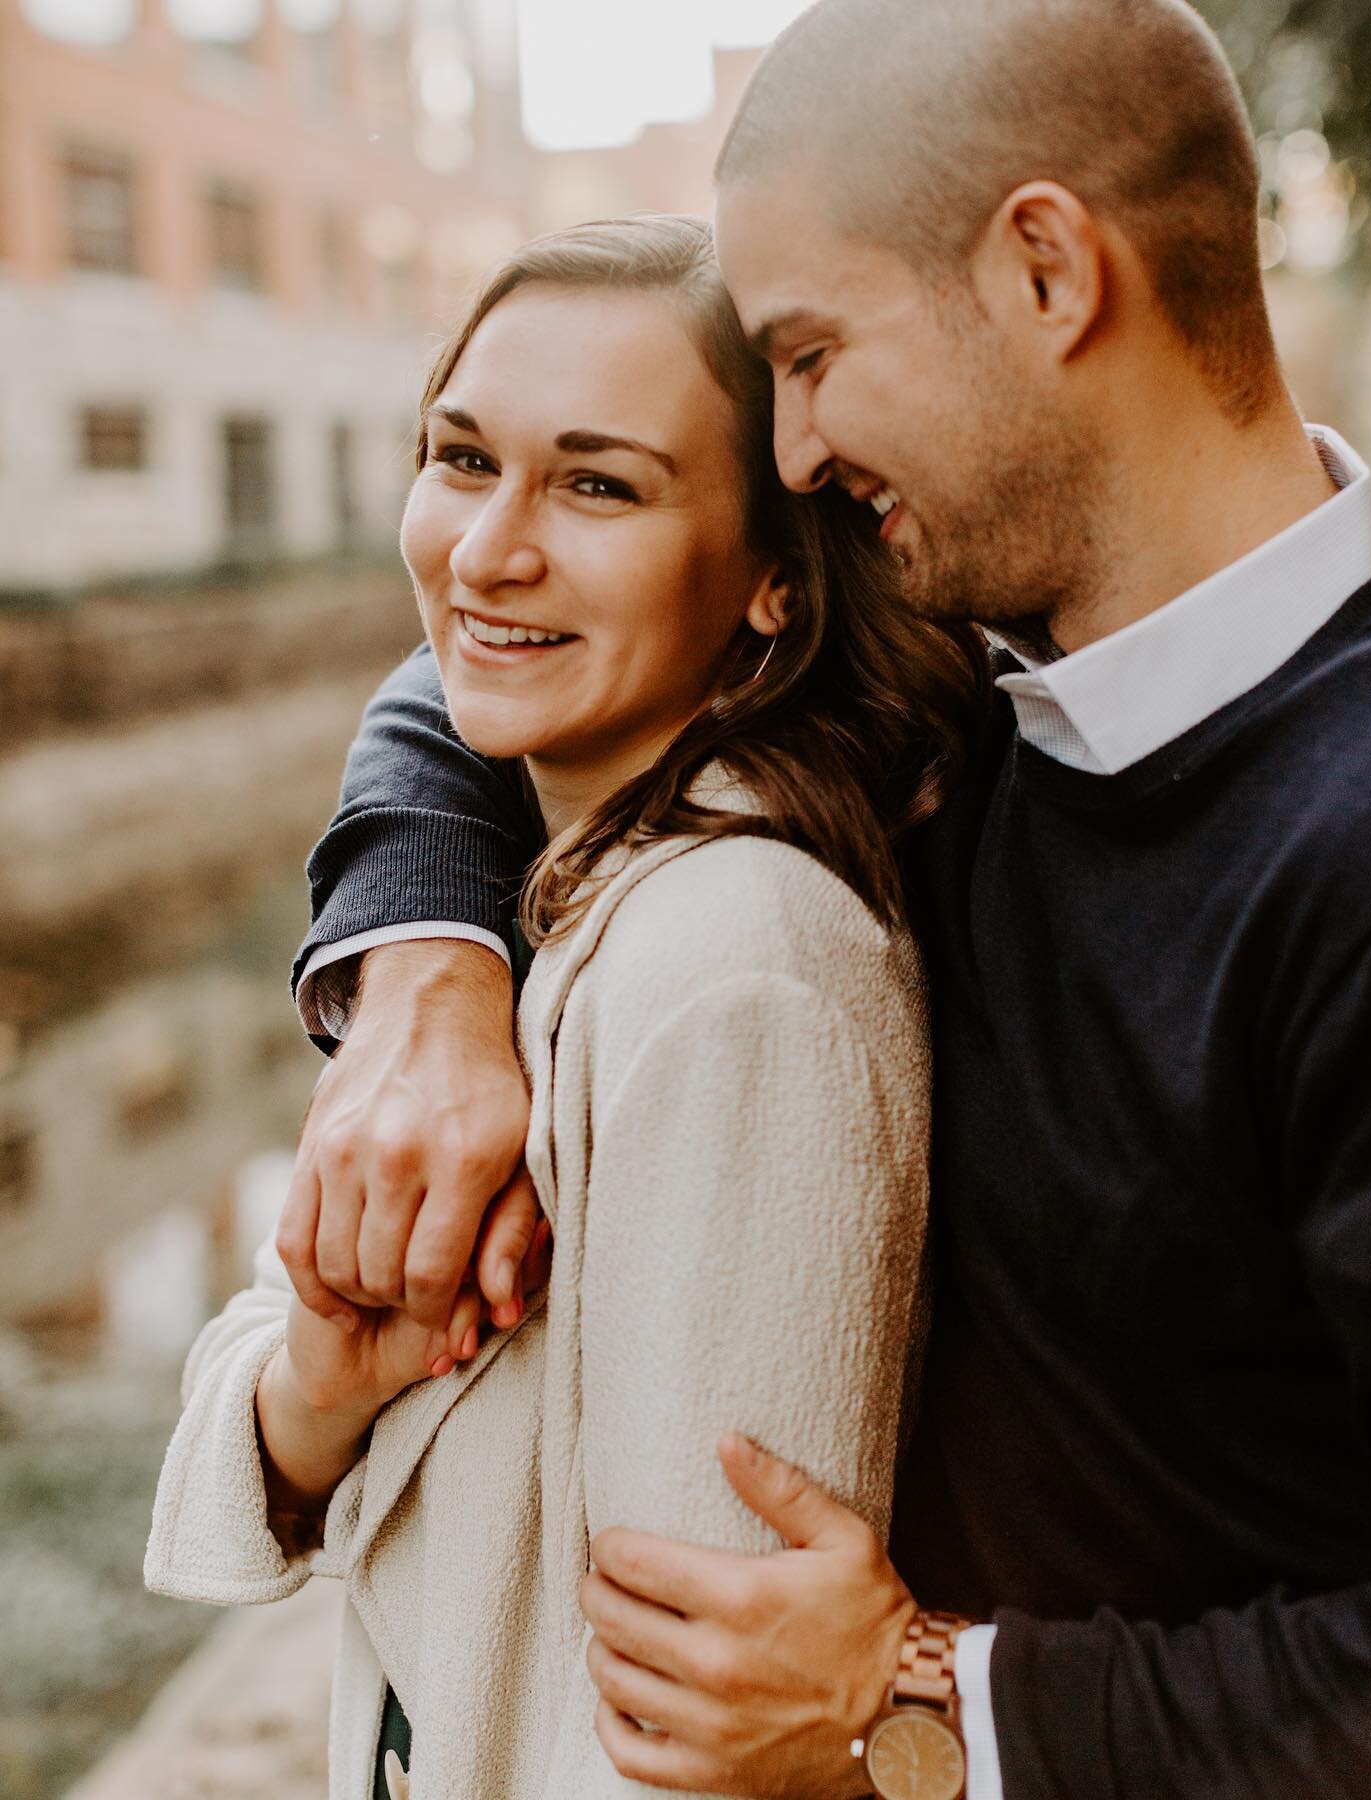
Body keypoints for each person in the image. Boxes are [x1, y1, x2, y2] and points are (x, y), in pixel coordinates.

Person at [271, 1, 1371, 1796]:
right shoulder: (971, 693)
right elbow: (478, 665)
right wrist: (429, 970)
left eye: (811, 354)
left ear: (1047, 271)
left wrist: (932, 1690)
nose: (796, 452)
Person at [146, 214, 986, 1798]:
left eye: (598, 484)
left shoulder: (736, 964)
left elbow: (697, 1725)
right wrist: (322, 1383)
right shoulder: (554, 888)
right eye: (462, 457)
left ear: (772, 587)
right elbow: (280, 1397)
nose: (485, 551)